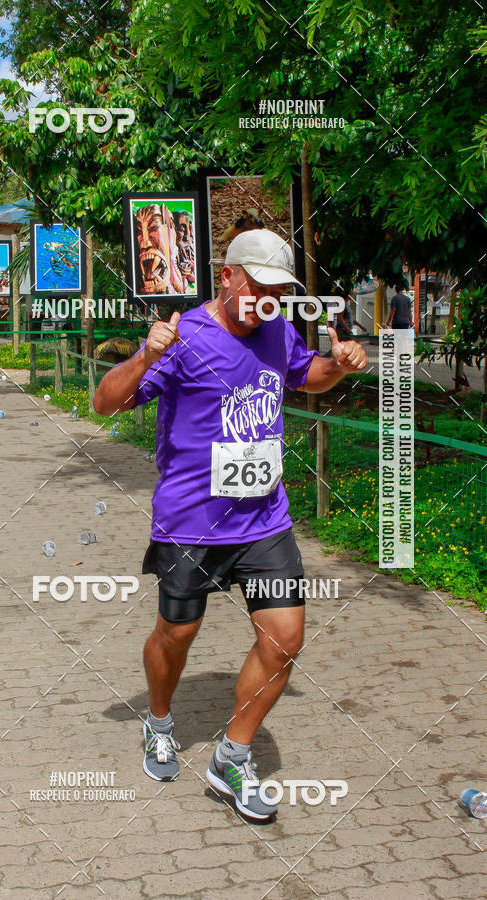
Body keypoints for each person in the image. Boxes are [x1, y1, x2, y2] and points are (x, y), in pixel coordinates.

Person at [93, 229, 367, 820]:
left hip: (264, 521)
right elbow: (105, 402)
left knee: (285, 638)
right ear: (228, 276)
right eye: (260, 287)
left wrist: (339, 367)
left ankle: (231, 757)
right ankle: (160, 720)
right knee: (177, 635)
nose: (267, 299)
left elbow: (306, 376)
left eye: (278, 291)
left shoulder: (276, 329)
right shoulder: (186, 337)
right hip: (191, 523)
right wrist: (145, 355)